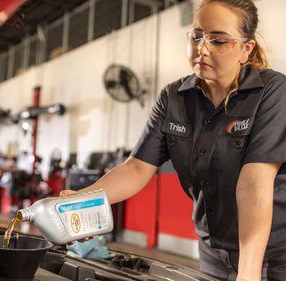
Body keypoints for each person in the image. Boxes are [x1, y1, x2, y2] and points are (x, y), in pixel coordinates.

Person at [61, 0, 286, 280]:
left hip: (275, 254)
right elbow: (136, 168)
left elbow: (255, 183)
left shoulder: (272, 92)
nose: (202, 48)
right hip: (213, 252)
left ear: (245, 49)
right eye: (197, 36)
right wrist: (81, 199)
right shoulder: (173, 97)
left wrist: (248, 273)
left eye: (218, 40)